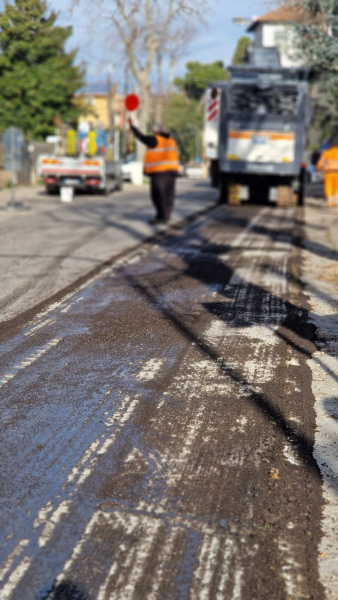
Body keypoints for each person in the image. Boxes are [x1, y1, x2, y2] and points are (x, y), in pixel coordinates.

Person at [129, 118, 179, 224]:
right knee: (168, 195)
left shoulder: (155, 140)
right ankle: (166, 216)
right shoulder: (171, 140)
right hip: (172, 173)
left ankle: (161, 216)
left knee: (157, 195)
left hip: (159, 173)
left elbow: (141, 137)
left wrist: (133, 127)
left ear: (155, 131)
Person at [317, 139, 338, 208]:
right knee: (336, 187)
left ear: (330, 146)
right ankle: (335, 201)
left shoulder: (326, 153)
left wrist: (318, 170)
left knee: (328, 187)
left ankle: (329, 202)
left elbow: (320, 163)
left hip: (329, 173)